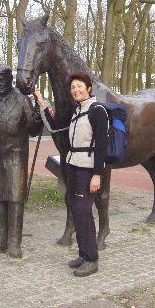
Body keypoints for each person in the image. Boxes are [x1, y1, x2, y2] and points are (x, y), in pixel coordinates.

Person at [34, 71, 108, 277]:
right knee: (79, 211)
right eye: (73, 87)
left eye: (79, 86)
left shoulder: (97, 111)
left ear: (89, 88)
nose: (75, 90)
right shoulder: (75, 111)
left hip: (88, 169)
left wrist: (97, 175)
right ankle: (85, 255)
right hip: (73, 167)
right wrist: (41, 104)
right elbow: (55, 126)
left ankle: (92, 259)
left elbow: (102, 146)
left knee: (82, 210)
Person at [0, 65, 42, 259]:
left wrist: (38, 116)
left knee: (15, 197)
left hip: (16, 155)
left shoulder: (22, 101)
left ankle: (15, 241)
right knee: (0, 195)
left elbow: (32, 130)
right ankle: (2, 237)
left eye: (3, 80)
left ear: (10, 80)